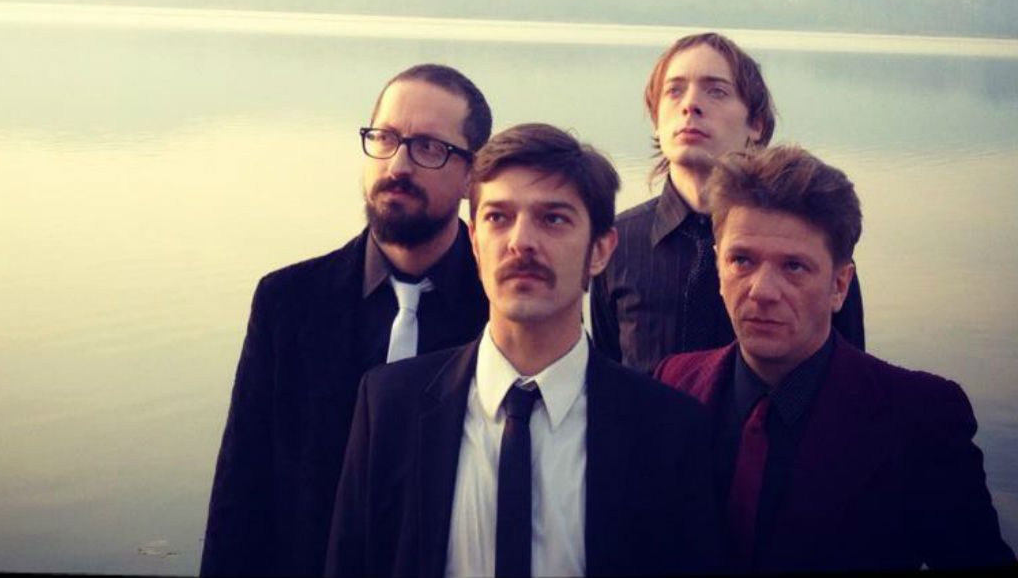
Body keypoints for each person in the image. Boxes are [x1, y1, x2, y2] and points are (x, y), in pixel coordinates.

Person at [326, 124, 720, 578]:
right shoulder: (389, 406)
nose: (521, 242)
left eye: (553, 219)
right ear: (475, 244)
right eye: (498, 217)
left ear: (600, 251)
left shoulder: (669, 430)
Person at [655, 145, 1016, 572]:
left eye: (794, 267)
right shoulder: (672, 384)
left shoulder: (920, 418)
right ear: (718, 268)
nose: (762, 290)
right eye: (742, 260)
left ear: (840, 286)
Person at [200, 64, 493, 577]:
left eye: (428, 147)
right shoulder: (287, 303)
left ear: (473, 175)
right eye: (385, 138)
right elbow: (241, 492)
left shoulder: (499, 314)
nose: (397, 164)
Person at [591, 32, 865, 374]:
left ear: (756, 124)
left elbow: (851, 375)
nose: (690, 105)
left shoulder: (807, 243)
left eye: (716, 91)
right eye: (674, 90)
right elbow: (606, 377)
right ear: (656, 121)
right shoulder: (617, 243)